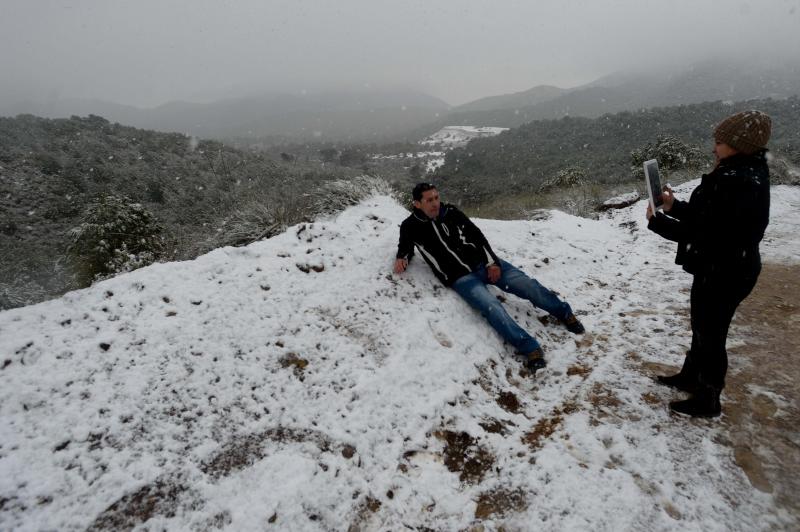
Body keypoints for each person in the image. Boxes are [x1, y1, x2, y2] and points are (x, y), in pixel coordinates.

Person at [647, 109, 771, 418]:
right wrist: (674, 206)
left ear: (739, 144)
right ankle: (692, 376)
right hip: (722, 266)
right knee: (703, 327)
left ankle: (708, 398)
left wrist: (658, 222)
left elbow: (706, 232)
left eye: (719, 140)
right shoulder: (740, 169)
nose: (714, 146)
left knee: (712, 334)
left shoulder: (739, 180)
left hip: (726, 269)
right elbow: (708, 218)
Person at [393, 182, 585, 374]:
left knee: (526, 285)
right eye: (429, 200)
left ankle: (564, 313)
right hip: (459, 277)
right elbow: (406, 247)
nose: (435, 203)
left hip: (481, 262)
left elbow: (475, 235)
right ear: (417, 204)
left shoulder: (450, 212)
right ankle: (531, 349)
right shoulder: (410, 226)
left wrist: (491, 262)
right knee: (492, 308)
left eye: (436, 198)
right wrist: (402, 258)